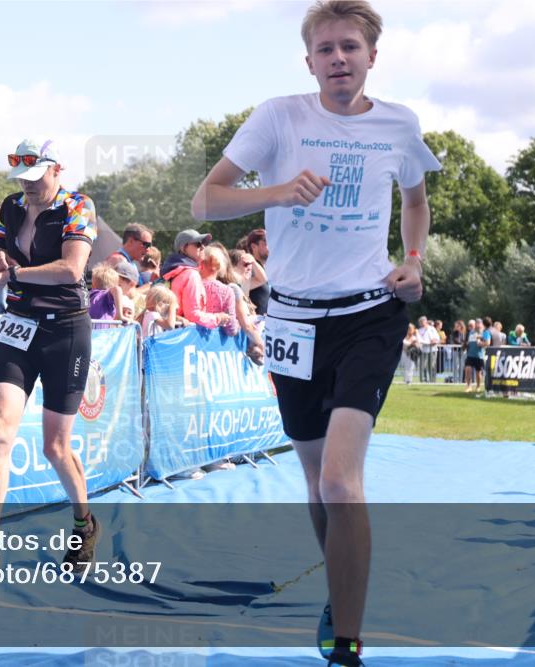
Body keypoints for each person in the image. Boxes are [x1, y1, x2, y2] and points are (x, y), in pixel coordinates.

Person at [190, 2, 441, 664]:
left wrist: (412, 262)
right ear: (309, 61)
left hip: (369, 315)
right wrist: (274, 193)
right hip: (293, 320)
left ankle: (348, 643)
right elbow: (205, 201)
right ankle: (341, 585)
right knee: (313, 481)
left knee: (339, 479)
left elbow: (415, 202)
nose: (338, 58)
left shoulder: (399, 124)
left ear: (371, 56)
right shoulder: (278, 116)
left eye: (349, 47)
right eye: (325, 48)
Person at [0, 138, 101, 574]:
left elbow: (70, 268)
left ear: (56, 170)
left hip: (66, 329)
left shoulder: (77, 206)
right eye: (22, 179)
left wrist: (9, 273)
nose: (28, 187)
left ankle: (84, 523)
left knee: (55, 447)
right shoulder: (11, 206)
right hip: (19, 323)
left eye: (35, 178)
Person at [161, 230, 231, 330]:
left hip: (169, 332)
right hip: (181, 335)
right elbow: (193, 315)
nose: (203, 247)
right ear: (184, 248)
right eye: (198, 244)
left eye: (204, 243)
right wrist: (218, 318)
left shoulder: (172, 271)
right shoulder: (191, 275)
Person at [200, 244, 240, 337]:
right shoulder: (227, 291)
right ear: (220, 266)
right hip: (216, 345)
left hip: (191, 342)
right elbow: (231, 329)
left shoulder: (192, 286)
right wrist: (238, 326)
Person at [236, 228, 271, 314]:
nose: (271, 246)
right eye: (266, 242)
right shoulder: (247, 268)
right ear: (254, 246)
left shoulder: (267, 267)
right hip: (254, 323)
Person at [464, 319, 490, 392]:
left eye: (479, 323)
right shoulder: (471, 332)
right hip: (470, 354)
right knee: (468, 369)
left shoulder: (485, 332)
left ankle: (478, 386)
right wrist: (466, 345)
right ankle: (469, 386)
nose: (477, 325)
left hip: (479, 355)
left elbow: (487, 343)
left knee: (478, 372)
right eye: (476, 323)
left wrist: (481, 344)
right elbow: (468, 342)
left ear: (482, 324)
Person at [415, 316, 439, 383]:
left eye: (423, 321)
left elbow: (437, 338)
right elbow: (420, 340)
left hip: (433, 350)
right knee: (423, 366)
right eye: (420, 322)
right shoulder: (419, 330)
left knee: (432, 366)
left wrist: (435, 341)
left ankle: (433, 380)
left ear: (426, 321)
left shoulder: (432, 329)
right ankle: (424, 380)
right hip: (424, 350)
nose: (422, 323)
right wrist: (427, 343)